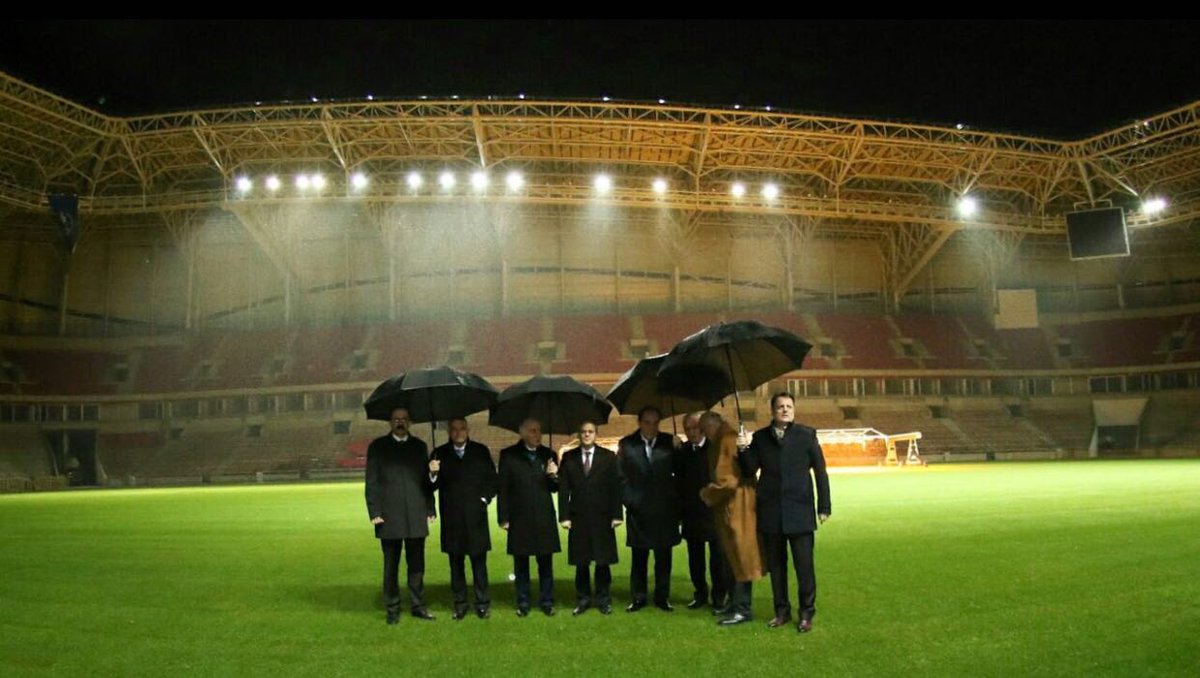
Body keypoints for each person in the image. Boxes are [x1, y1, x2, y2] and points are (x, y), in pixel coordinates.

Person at [738, 393, 831, 633]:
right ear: (773, 410)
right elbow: (749, 469)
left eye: (789, 406)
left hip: (800, 511)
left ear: (794, 410)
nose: (785, 410)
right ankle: (781, 612)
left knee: (804, 568)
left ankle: (806, 613)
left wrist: (824, 506)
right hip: (771, 512)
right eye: (780, 406)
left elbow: (820, 472)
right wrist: (743, 449)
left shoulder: (807, 435)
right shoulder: (760, 438)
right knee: (777, 569)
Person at [364, 407, 436, 624]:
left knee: (417, 565)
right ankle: (393, 608)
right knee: (391, 566)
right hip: (389, 514)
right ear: (390, 422)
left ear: (410, 422)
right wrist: (375, 511)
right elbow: (372, 481)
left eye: (404, 419)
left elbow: (425, 482)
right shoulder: (378, 447)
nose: (400, 422)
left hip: (415, 512)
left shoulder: (419, 447)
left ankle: (418, 606)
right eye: (396, 419)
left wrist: (430, 507)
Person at [429, 417, 497, 620]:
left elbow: (492, 479)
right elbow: (431, 486)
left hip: (476, 517)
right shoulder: (439, 453)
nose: (458, 432)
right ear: (449, 431)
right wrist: (432, 473)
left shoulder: (480, 451)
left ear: (468, 429)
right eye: (454, 429)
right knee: (456, 565)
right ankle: (460, 604)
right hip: (452, 518)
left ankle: (482, 603)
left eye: (462, 428)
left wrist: (484, 499)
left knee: (479, 565)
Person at [698, 411, 763, 626]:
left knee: (739, 555)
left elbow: (727, 481)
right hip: (735, 504)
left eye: (703, 429)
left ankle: (742, 608)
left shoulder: (726, 439)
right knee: (732, 556)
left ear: (711, 426)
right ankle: (735, 603)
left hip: (736, 506)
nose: (703, 434)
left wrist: (707, 493)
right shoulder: (725, 438)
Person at [617, 405, 680, 612]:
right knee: (639, 557)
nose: (651, 426)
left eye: (655, 423)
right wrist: (631, 500)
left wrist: (680, 448)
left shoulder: (669, 442)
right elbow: (620, 477)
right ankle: (638, 598)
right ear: (639, 422)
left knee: (664, 558)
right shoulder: (627, 444)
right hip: (638, 510)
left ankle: (662, 597)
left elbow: (680, 473)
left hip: (665, 510)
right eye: (647, 422)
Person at [558, 420, 623, 616]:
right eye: (583, 432)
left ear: (596, 434)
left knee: (602, 561)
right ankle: (583, 599)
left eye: (590, 431)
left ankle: (604, 600)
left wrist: (617, 514)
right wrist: (564, 516)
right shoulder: (569, 457)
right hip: (578, 516)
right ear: (579, 434)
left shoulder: (608, 457)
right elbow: (563, 489)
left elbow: (615, 487)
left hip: (602, 516)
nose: (587, 435)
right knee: (581, 561)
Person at [497, 418, 560, 617]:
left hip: (543, 516)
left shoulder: (549, 455)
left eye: (539, 430)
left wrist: (554, 475)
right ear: (522, 433)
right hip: (519, 517)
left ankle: (547, 601)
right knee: (521, 563)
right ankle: (523, 602)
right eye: (532, 431)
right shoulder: (508, 455)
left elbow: (555, 488)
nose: (537, 434)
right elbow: (503, 488)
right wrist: (503, 517)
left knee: (546, 563)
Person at [676, 412, 726, 610]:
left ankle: (719, 596)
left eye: (695, 428)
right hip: (691, 513)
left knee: (718, 560)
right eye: (688, 429)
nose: (692, 432)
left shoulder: (716, 448)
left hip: (714, 513)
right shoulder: (682, 451)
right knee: (695, 559)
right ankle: (700, 594)